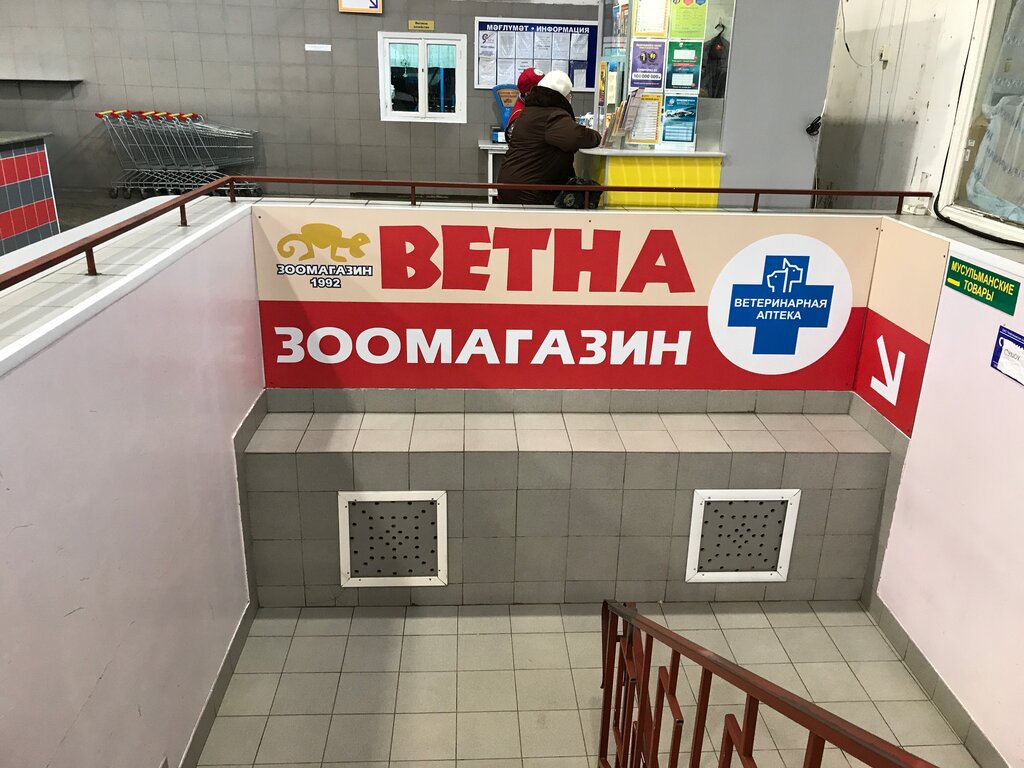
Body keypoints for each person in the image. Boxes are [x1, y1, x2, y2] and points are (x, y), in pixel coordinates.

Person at [497, 71, 602, 206]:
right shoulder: (552, 115)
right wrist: (598, 136)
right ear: (563, 95)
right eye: (569, 95)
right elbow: (575, 137)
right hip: (531, 190)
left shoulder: (530, 110)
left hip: (516, 184)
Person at [505, 67, 545, 137]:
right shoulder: (520, 115)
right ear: (528, 93)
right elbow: (513, 139)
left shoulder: (533, 106)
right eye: (541, 90)